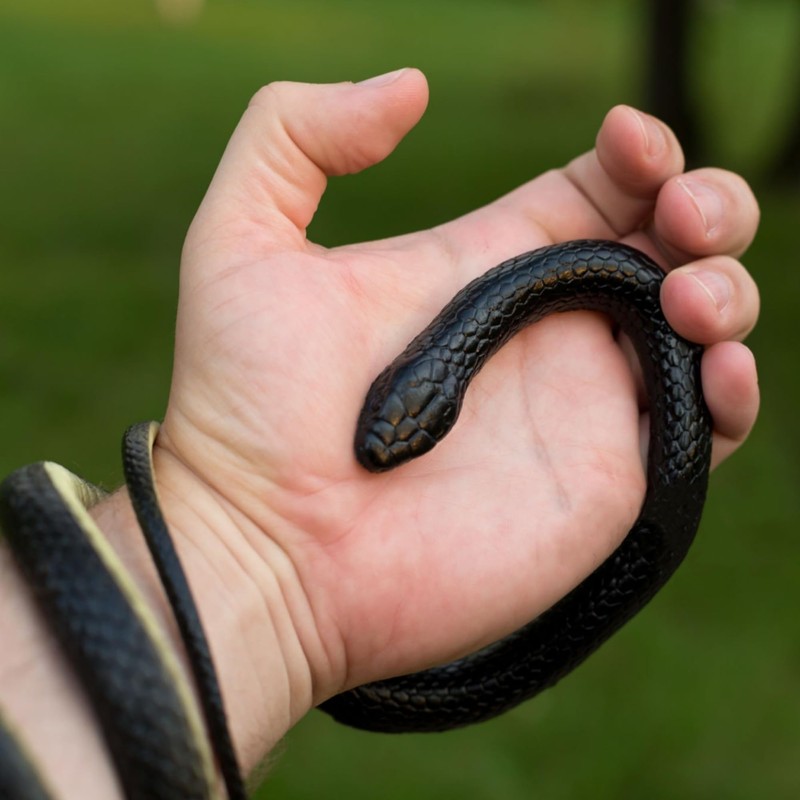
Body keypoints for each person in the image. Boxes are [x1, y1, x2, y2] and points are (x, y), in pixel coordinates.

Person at [0, 69, 760, 798]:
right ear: (412, 374)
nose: (374, 452)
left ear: (439, 404)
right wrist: (228, 523)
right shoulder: (508, 312)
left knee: (692, 309)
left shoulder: (588, 290)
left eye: (399, 438)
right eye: (383, 427)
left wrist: (240, 564)